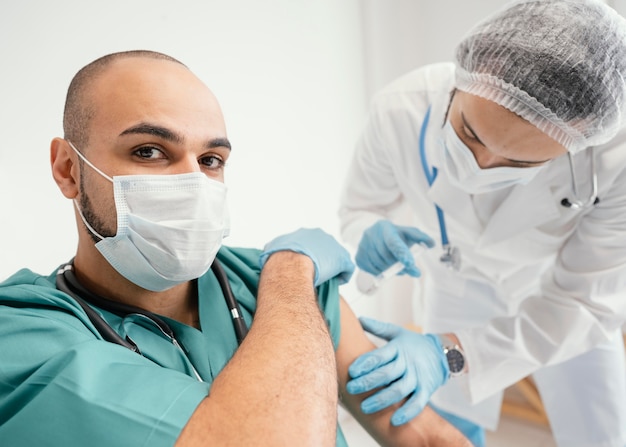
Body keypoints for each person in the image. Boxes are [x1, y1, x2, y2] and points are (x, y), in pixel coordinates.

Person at [0, 50, 472, 446]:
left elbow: (427, 437)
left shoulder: (264, 280)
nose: (192, 181)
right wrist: (290, 273)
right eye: (148, 151)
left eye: (210, 160)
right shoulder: (24, 338)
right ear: (67, 169)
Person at [338, 0, 626, 446]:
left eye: (517, 160)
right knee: (450, 423)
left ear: (581, 133)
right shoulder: (400, 109)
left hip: (561, 300)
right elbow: (360, 209)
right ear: (470, 72)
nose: (481, 164)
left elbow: (585, 302)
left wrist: (449, 352)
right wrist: (366, 236)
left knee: (601, 429)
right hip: (455, 281)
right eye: (469, 132)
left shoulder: (614, 160)